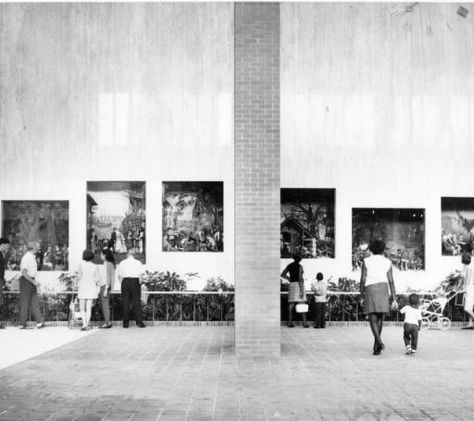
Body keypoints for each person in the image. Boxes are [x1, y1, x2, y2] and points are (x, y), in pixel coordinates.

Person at [360, 240, 398, 355]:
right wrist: (394, 298)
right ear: (383, 249)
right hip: (383, 288)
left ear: (370, 249)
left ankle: (379, 342)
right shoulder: (387, 262)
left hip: (370, 288)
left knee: (372, 316)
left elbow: (362, 280)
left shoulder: (366, 261)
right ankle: (377, 346)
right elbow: (391, 281)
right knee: (380, 316)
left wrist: (361, 295)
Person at [19, 242, 45, 329]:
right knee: (25, 303)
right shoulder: (27, 257)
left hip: (31, 280)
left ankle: (40, 322)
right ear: (33, 247)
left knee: (34, 303)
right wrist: (33, 282)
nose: (39, 247)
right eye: (37, 246)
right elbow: (24, 272)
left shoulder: (31, 257)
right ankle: (22, 324)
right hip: (26, 281)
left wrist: (34, 281)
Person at [117, 250, 146, 328]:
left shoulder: (122, 262)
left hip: (125, 281)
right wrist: (138, 284)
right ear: (134, 255)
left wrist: (123, 283)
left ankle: (125, 323)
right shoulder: (138, 263)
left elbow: (119, 276)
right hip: (135, 281)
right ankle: (139, 322)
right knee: (137, 302)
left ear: (128, 254)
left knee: (125, 302)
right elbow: (141, 276)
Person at [281, 254, 309, 328]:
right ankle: (305, 323)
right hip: (298, 285)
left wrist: (289, 278)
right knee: (302, 303)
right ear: (299, 259)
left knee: (291, 304)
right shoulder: (300, 266)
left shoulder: (289, 265)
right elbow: (300, 278)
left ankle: (290, 322)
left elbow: (282, 274)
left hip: (292, 284)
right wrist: (301, 290)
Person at [77, 250, 100, 331]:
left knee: (82, 307)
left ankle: (84, 324)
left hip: (83, 287)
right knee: (88, 308)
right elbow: (97, 279)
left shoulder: (81, 265)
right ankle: (87, 324)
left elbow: (79, 277)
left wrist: (76, 283)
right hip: (91, 288)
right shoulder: (95, 266)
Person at [98, 248, 115, 329]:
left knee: (105, 305)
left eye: (101, 254)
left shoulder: (108, 264)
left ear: (105, 255)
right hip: (103, 286)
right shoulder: (107, 263)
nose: (100, 256)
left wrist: (106, 289)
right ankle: (107, 322)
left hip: (105, 286)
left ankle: (107, 323)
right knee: (104, 305)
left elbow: (108, 277)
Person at [460, 252, 474, 329]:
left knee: (467, 308)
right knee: (470, 307)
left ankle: (471, 323)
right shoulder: (467, 267)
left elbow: (467, 279)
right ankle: (470, 324)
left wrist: (464, 288)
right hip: (470, 288)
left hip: (469, 288)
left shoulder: (468, 268)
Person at [0, 238, 11, 329]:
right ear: (2, 244)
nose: (8, 247)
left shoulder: (3, 254)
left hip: (0, 279)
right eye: (7, 245)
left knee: (1, 300)